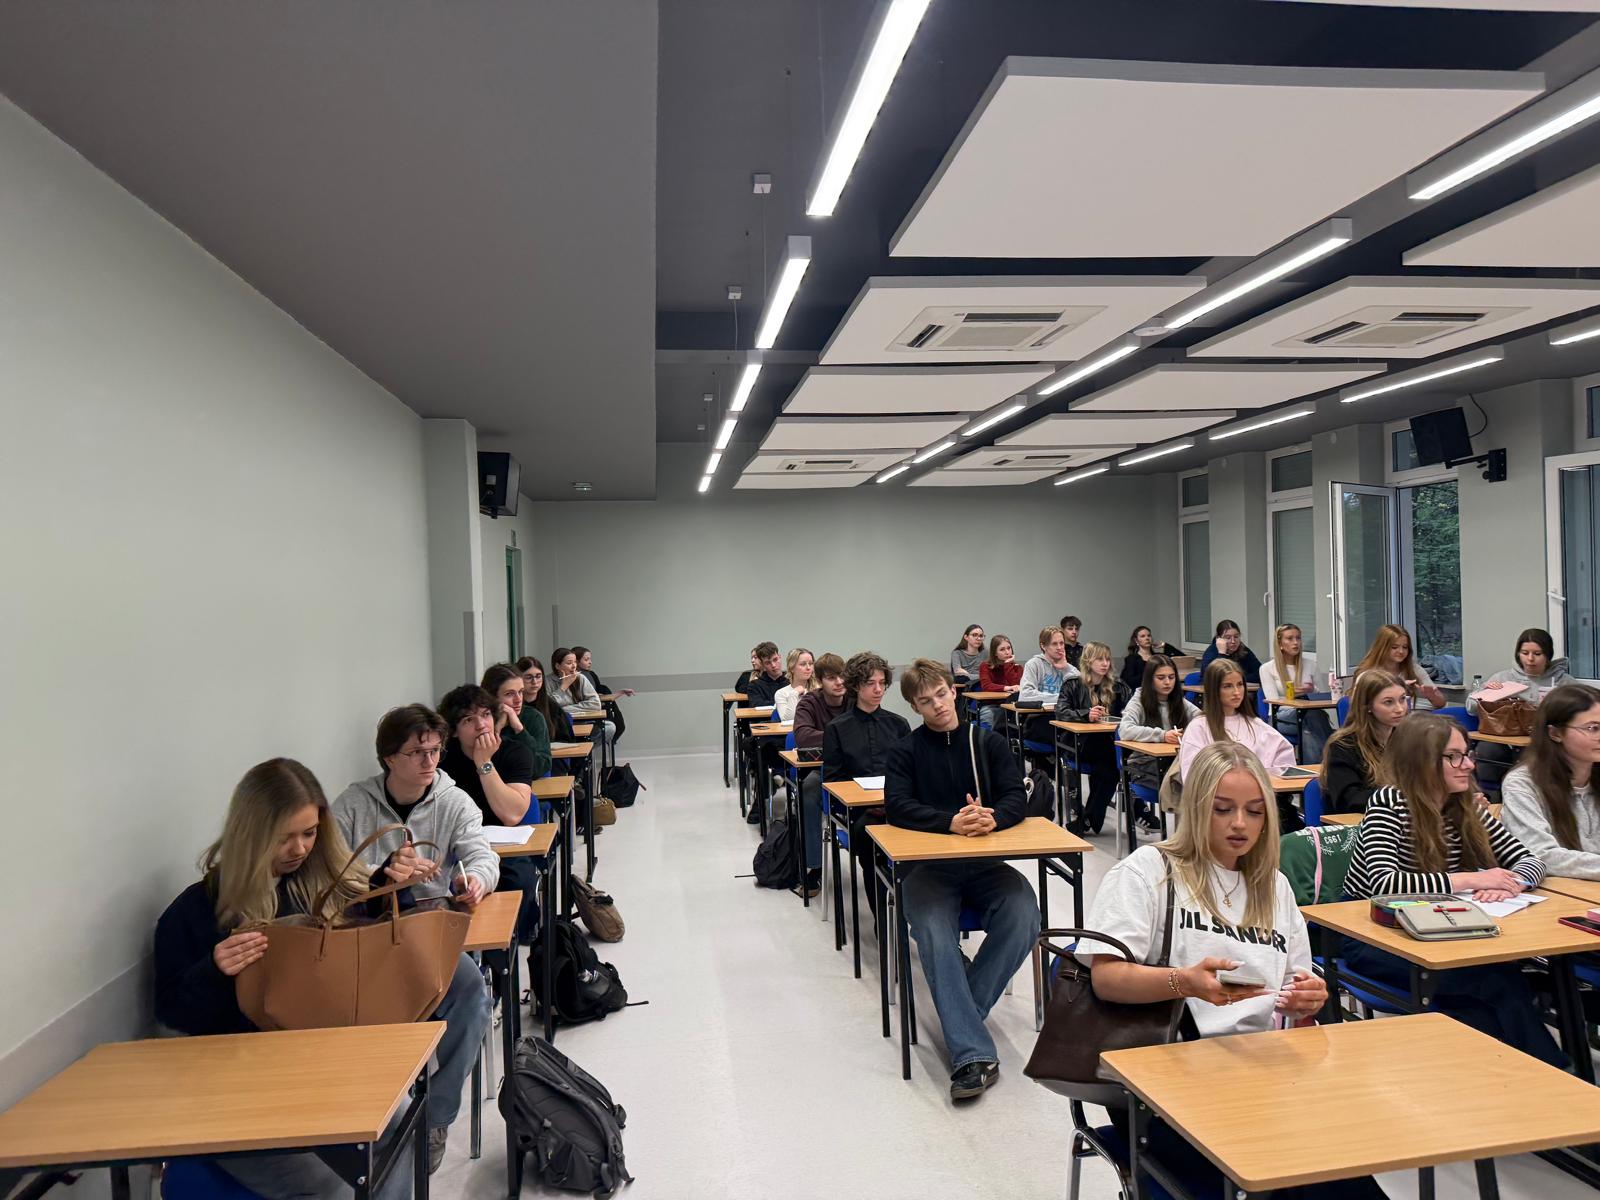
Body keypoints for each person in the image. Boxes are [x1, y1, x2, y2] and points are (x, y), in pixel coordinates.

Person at [155, 759, 490, 1192]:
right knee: (335, 1188)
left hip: (325, 1071)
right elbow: (172, 1012)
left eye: (310, 833)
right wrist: (215, 969)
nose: (299, 848)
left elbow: (370, 948)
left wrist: (388, 887)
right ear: (250, 833)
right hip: (246, 1088)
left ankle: (434, 1120)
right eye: (284, 838)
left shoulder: (322, 882)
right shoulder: (197, 911)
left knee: (406, 1133)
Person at [1078, 744, 1381, 1200]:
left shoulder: (1273, 887)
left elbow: (1297, 992)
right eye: (1223, 809)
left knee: (1347, 1172)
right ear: (1198, 809)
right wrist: (1183, 982)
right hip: (1164, 1079)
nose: (1240, 824)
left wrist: (1307, 1000)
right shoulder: (1149, 871)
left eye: (1254, 812)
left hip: (1257, 1071)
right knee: (1279, 1175)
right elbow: (1105, 978)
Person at [1343, 713, 1562, 1066]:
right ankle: (1555, 1072)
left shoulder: (1463, 804)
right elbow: (1384, 883)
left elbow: (1531, 860)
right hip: (1373, 935)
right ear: (1421, 760)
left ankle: (1524, 1076)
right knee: (1493, 984)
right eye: (1454, 757)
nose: (1469, 765)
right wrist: (1474, 879)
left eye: (1467, 754)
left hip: (1442, 931)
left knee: (1494, 990)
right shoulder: (1390, 802)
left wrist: (1513, 883)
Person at [885, 660, 1038, 1103]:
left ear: (953, 691)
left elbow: (1016, 796)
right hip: (928, 868)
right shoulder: (906, 751)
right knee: (934, 931)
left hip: (985, 864)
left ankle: (962, 1012)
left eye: (941, 694)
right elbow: (897, 806)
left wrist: (993, 818)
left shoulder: (987, 742)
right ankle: (972, 1054)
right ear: (915, 707)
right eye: (925, 701)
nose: (937, 705)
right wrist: (949, 822)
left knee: (1025, 912)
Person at [334, 705, 529, 950]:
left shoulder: (456, 802)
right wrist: (385, 874)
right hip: (366, 925)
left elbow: (483, 856)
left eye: (435, 750)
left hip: (431, 922)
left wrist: (476, 879)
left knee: (463, 972)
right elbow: (330, 867)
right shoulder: (353, 804)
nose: (429, 762)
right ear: (389, 758)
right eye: (417, 752)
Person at [823, 651, 911, 913]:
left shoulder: (899, 724)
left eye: (882, 683)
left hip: (899, 806)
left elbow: (911, 773)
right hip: (860, 812)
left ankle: (916, 909)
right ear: (855, 685)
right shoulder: (837, 728)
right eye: (870, 683)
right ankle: (882, 920)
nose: (878, 689)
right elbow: (833, 780)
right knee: (869, 837)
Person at [1179, 659, 1298, 830]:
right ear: (1214, 690)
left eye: (1240, 685)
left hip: (1260, 801)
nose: (1236, 692)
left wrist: (1263, 780)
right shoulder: (1199, 727)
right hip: (1219, 808)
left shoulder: (1254, 723)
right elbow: (1192, 777)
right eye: (1227, 686)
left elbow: (1284, 757)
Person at [1500, 683, 1600, 880]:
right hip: (1559, 889)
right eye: (1593, 728)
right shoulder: (1523, 783)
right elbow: (1540, 854)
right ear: (1555, 733)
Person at [1469, 627, 1571, 791]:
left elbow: (1583, 710)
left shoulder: (1564, 682)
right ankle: (1494, 795)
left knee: (1535, 755)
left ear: (1547, 655)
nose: (1530, 659)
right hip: (1505, 737)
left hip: (1545, 739)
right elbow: (1471, 708)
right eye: (1525, 653)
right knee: (1487, 750)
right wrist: (1487, 694)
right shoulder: (1503, 678)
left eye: (1537, 654)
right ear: (1518, 654)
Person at [1054, 640, 1130, 835]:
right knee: (1112, 766)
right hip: (1080, 744)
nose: (1105, 664)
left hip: (1108, 745)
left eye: (1107, 659)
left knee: (1110, 767)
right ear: (1088, 661)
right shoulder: (1072, 684)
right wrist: (1085, 715)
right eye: (1099, 659)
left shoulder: (1118, 686)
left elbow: (1131, 712)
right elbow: (1061, 711)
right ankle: (1095, 818)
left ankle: (1087, 819)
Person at [1118, 655, 1200, 829]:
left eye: (1171, 677)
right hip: (1143, 767)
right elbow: (1125, 730)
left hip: (1173, 763)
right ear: (1150, 679)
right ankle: (1182, 838)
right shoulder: (1139, 700)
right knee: (1186, 783)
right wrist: (1162, 735)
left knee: (1201, 778)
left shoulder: (1178, 700)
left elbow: (1202, 718)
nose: (1167, 682)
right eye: (1161, 678)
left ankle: (1190, 837)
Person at [438, 684, 534, 826]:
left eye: (486, 714)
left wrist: (484, 762)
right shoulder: (441, 758)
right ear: (454, 731)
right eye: (469, 719)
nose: (481, 725)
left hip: (504, 836)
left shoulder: (516, 752)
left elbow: (512, 815)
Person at [794, 652, 848, 890]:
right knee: (808, 789)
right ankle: (814, 866)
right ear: (819, 681)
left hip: (859, 769)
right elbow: (803, 736)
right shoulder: (809, 703)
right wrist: (844, 737)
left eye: (842, 676)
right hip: (825, 769)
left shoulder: (855, 699)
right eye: (831, 678)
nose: (839, 682)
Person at [1319, 670, 1408, 816]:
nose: (1399, 709)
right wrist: (1403, 797)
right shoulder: (1343, 746)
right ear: (1367, 706)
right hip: (1362, 823)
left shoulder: (1408, 739)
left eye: (1402, 699)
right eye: (1388, 702)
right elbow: (1351, 801)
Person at [1259, 623, 1332, 765]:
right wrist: (1291, 697)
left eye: (1298, 638)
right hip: (1281, 716)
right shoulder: (1267, 668)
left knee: (1308, 731)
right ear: (1280, 644)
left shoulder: (1311, 665)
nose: (1295, 642)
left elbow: (1324, 696)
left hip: (1309, 715)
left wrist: (1312, 691)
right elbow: (1272, 700)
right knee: (1314, 716)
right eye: (1290, 638)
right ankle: (1328, 763)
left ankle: (1311, 771)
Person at [483, 662, 551, 781]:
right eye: (509, 694)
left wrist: (519, 729)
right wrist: (496, 730)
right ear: (491, 697)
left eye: (520, 692)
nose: (518, 700)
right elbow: (480, 766)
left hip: (523, 786)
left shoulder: (533, 717)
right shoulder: (481, 721)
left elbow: (540, 768)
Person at [1354, 624, 1445, 710]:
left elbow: (1441, 703)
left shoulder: (1413, 668)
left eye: (1405, 647)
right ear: (1382, 647)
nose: (1401, 651)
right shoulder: (1367, 672)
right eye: (1394, 647)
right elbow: (1359, 705)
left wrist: (1432, 696)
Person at [549, 647, 616, 752]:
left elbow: (595, 704)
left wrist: (564, 709)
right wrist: (563, 686)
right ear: (557, 666)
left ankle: (583, 753)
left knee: (609, 727)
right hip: (560, 726)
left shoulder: (581, 678)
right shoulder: (548, 681)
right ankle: (578, 754)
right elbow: (549, 708)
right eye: (569, 663)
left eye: (575, 662)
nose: (574, 666)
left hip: (583, 721)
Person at [574, 644, 633, 745]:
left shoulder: (591, 674)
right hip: (587, 712)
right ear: (577, 662)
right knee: (612, 726)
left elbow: (601, 695)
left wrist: (621, 692)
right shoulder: (574, 678)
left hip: (600, 706)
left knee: (619, 724)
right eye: (586, 659)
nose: (590, 662)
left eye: (590, 659)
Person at [977, 633, 1023, 730]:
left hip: (1011, 706)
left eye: (1009, 648)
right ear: (995, 653)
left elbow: (1016, 686)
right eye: (1002, 649)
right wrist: (1007, 688)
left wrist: (1008, 665)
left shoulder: (1017, 668)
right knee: (993, 719)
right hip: (991, 705)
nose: (1007, 652)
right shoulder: (985, 666)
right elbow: (986, 686)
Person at [1200, 618, 1263, 685]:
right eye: (1228, 638)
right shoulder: (1211, 652)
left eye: (1236, 637)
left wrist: (1239, 679)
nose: (1233, 641)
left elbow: (1260, 673)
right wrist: (1222, 654)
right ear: (1219, 639)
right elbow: (1215, 678)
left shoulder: (1244, 650)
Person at [1119, 625, 1180, 693]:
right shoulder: (1132, 659)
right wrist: (1150, 673)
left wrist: (1165, 645)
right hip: (1143, 692)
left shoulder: (1158, 657)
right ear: (1136, 640)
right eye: (1143, 636)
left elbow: (1181, 657)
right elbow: (1128, 681)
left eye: (1149, 635)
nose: (1147, 638)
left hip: (1161, 691)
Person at [773, 647, 816, 723]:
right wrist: (794, 694)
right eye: (803, 664)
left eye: (811, 663)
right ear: (791, 668)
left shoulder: (818, 690)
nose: (808, 668)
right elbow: (788, 720)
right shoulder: (781, 693)